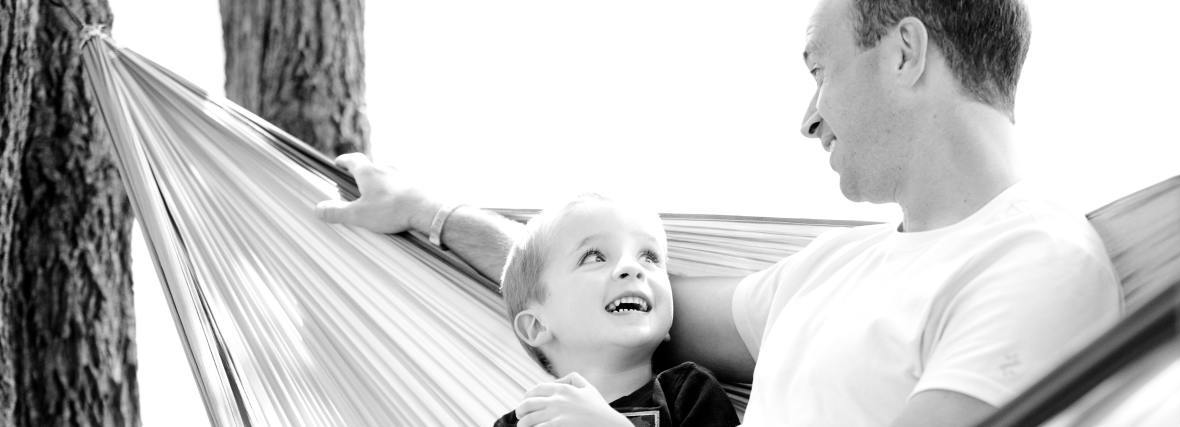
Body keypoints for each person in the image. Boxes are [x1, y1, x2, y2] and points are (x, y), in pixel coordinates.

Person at [316, 0, 1123, 425]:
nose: (808, 117)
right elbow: (598, 301)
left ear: (905, 53)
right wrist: (436, 212)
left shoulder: (1035, 265)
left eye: (820, 69)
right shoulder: (831, 273)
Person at [488, 195, 738, 427]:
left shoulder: (688, 391)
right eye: (594, 257)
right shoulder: (522, 421)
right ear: (537, 326)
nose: (632, 267)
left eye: (649, 257)